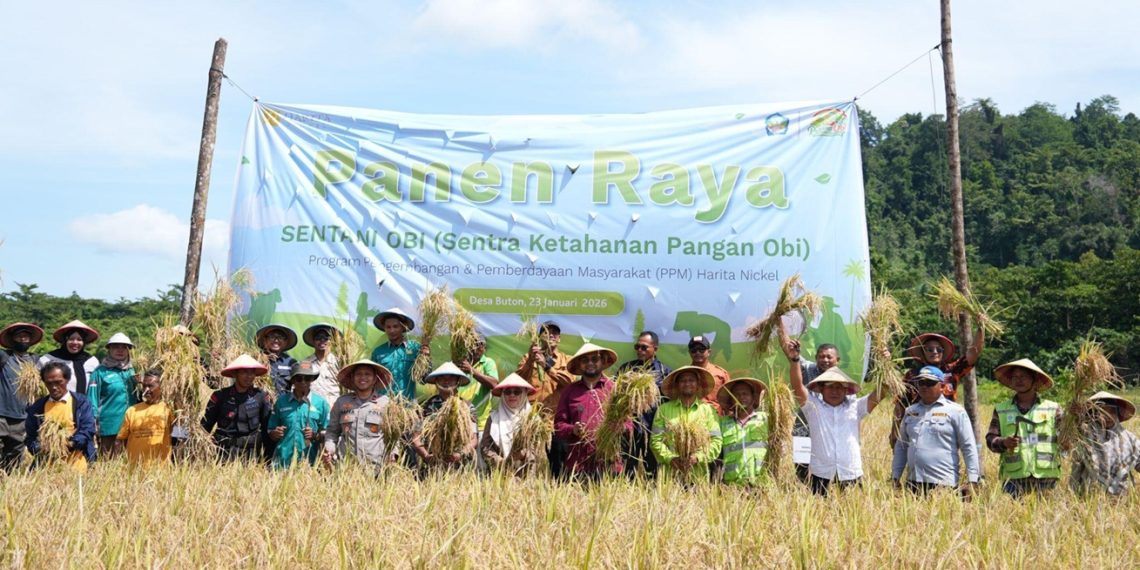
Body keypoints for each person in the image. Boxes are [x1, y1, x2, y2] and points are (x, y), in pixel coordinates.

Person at [791, 362, 885, 496]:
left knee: (852, 514)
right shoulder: (813, 407)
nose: (835, 391)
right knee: (820, 514)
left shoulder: (856, 407)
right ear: (821, 389)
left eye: (839, 387)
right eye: (830, 387)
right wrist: (794, 361)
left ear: (846, 391)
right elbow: (797, 386)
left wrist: (885, 364)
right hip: (821, 473)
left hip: (850, 472)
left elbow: (881, 392)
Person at [891, 366, 980, 496]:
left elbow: (968, 446)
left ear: (942, 386)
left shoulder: (956, 411)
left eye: (930, 383)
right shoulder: (910, 411)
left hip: (944, 484)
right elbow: (901, 446)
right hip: (913, 482)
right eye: (921, 382)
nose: (924, 386)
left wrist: (972, 480)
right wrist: (895, 476)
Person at [890, 329, 984, 448]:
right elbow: (900, 404)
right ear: (923, 352)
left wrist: (980, 328)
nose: (935, 352)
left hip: (945, 425)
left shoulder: (952, 370)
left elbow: (974, 353)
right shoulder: (913, 375)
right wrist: (895, 431)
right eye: (929, 349)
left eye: (939, 349)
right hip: (919, 426)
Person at [985, 359, 1062, 498]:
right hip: (1013, 479)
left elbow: (1066, 438)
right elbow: (990, 439)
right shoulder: (1001, 409)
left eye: (1023, 376)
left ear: (1034, 380)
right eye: (1015, 377)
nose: (1018, 380)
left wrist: (1075, 417)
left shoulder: (1053, 408)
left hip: (1046, 477)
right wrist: (1003, 442)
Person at [553, 343, 624, 479]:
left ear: (603, 361)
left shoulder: (614, 389)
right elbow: (558, 426)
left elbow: (628, 423)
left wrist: (616, 427)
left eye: (594, 359)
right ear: (579, 365)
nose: (590, 363)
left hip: (609, 463)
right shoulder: (569, 391)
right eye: (585, 360)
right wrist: (573, 429)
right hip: (577, 465)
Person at [650, 366, 723, 483]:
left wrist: (698, 458)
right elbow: (655, 441)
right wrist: (670, 458)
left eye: (691, 380)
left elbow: (716, 441)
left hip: (698, 477)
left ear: (698, 385)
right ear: (677, 385)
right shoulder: (663, 410)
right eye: (683, 381)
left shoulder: (708, 410)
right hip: (670, 478)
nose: (687, 383)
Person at [783, 339, 841, 483]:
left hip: (828, 431)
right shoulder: (808, 368)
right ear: (816, 359)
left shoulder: (842, 382)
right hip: (804, 426)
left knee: (829, 464)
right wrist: (779, 321)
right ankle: (804, 489)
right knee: (801, 464)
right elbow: (788, 351)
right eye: (821, 357)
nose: (825, 360)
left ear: (837, 360)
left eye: (829, 357)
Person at [323, 360, 395, 472]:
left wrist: (393, 455)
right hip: (345, 467)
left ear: (375, 378)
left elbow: (394, 435)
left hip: (376, 468)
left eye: (367, 374)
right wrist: (329, 449)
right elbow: (332, 432)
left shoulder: (385, 403)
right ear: (352, 377)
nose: (363, 377)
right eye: (358, 374)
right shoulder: (341, 402)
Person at [616, 331, 671, 477]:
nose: (640, 351)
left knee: (653, 472)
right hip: (630, 429)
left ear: (655, 349)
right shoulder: (626, 370)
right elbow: (614, 398)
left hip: (654, 429)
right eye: (637, 347)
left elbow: (670, 403)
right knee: (627, 471)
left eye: (644, 347)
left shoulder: (665, 373)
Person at [25, 362, 97, 473]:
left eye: (59, 382)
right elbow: (31, 437)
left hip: (77, 466)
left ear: (67, 380)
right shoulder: (37, 407)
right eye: (49, 383)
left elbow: (88, 430)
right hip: (46, 469)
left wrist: (67, 445)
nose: (54, 387)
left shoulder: (81, 402)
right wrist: (43, 448)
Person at [201, 354, 273, 462]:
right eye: (244, 372)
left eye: (252, 372)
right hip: (223, 452)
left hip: (251, 454)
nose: (249, 376)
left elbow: (267, 428)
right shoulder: (219, 396)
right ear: (235, 374)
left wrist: (267, 459)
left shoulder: (261, 396)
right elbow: (205, 426)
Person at [412, 362, 479, 473]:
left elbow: (473, 439)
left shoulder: (467, 406)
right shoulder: (425, 406)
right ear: (436, 381)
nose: (446, 381)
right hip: (432, 465)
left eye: (451, 378)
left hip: (460, 466)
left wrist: (460, 454)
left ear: (458, 381)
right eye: (442, 378)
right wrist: (427, 456)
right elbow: (415, 437)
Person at [1070, 392, 1140, 496]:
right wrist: (1073, 416)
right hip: (1090, 499)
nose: (1107, 415)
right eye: (1101, 411)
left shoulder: (1129, 438)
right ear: (1093, 413)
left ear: (1117, 413)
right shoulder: (1084, 436)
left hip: (1122, 497)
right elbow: (1065, 439)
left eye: (1111, 411)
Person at [268, 361, 331, 470]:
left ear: (311, 380)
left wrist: (315, 435)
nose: (303, 382)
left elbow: (328, 433)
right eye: (299, 378)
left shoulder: (321, 403)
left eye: (307, 378)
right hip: (282, 462)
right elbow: (270, 430)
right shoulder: (281, 402)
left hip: (309, 464)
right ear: (292, 380)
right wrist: (275, 433)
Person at [87, 332, 137, 458]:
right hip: (109, 425)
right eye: (116, 346)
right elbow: (92, 399)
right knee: (108, 459)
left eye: (124, 347)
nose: (120, 350)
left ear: (128, 350)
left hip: (132, 424)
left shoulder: (133, 370)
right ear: (109, 349)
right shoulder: (99, 372)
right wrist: (92, 422)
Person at [0, 322, 42, 472]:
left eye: (26, 336)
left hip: (22, 415)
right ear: (12, 339)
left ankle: (8, 483)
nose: (23, 339)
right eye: (19, 336)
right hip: (2, 414)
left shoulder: (35, 360)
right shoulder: (4, 357)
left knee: (15, 453)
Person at [479, 373, 540, 476]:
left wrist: (523, 454)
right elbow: (485, 446)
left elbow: (539, 448)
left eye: (517, 392)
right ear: (503, 395)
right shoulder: (493, 418)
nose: (512, 395)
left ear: (524, 394)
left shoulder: (533, 420)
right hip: (498, 474)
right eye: (508, 392)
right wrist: (499, 461)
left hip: (527, 474)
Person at [114, 369, 175, 468]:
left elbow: (178, 437)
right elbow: (120, 440)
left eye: (150, 386)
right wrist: (117, 464)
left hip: (160, 470)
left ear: (161, 387)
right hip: (134, 470)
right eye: (144, 386)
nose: (146, 390)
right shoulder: (132, 410)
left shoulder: (169, 410)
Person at [716, 377, 769, 487]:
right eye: (737, 395)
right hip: (733, 487)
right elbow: (717, 457)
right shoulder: (722, 424)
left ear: (753, 398)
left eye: (745, 394)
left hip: (762, 484)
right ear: (731, 399)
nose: (741, 397)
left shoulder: (765, 420)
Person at [370, 308, 429, 402]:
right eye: (388, 327)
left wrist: (426, 358)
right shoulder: (378, 352)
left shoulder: (415, 348)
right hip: (382, 405)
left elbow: (423, 380)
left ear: (403, 327)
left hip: (407, 406)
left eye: (395, 326)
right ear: (384, 328)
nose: (391, 330)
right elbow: (371, 380)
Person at [515, 321, 574, 412]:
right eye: (546, 332)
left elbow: (570, 382)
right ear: (539, 337)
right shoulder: (528, 357)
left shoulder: (566, 360)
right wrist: (530, 360)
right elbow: (517, 382)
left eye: (554, 333)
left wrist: (547, 366)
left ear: (559, 338)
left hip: (555, 415)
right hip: (530, 415)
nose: (551, 335)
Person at [457, 333, 500, 447]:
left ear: (484, 348)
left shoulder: (488, 363)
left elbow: (494, 384)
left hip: (480, 423)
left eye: (480, 345)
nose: (476, 347)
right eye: (473, 344)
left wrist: (472, 370)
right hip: (459, 421)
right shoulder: (460, 364)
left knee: (479, 462)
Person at [37, 320, 99, 395]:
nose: (75, 342)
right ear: (65, 340)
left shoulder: (92, 361)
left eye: (79, 339)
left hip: (84, 405)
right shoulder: (48, 359)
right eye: (71, 339)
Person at [302, 323, 341, 411]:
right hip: (311, 409)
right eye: (318, 338)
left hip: (334, 409)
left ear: (332, 341)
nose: (322, 341)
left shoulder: (339, 363)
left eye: (326, 338)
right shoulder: (305, 363)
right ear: (313, 341)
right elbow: (298, 385)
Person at [686, 335, 729, 413]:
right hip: (690, 417)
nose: (697, 352)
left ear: (709, 352)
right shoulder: (684, 374)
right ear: (689, 352)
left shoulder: (721, 374)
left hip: (715, 417)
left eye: (701, 349)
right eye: (694, 350)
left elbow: (729, 400)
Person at [256, 324, 299, 395]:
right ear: (265, 340)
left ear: (286, 342)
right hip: (261, 404)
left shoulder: (291, 363)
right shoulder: (256, 359)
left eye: (280, 337)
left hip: (284, 404)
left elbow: (298, 385)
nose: (276, 340)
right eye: (272, 337)